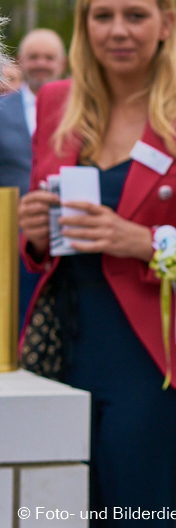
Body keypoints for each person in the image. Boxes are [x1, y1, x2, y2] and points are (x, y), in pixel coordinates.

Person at [15, 0, 176, 528]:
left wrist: (144, 243)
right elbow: (36, 249)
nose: (117, 30)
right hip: (60, 354)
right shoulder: (55, 105)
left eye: (135, 15)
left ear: (166, 23)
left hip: (158, 366)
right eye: (102, 16)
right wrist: (34, 236)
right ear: (84, 24)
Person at [1, 29, 68, 328]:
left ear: (62, 63)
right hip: (10, 242)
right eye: (34, 57)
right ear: (20, 62)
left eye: (49, 57)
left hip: (69, 238)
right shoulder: (2, 109)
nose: (41, 63)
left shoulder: (83, 110)